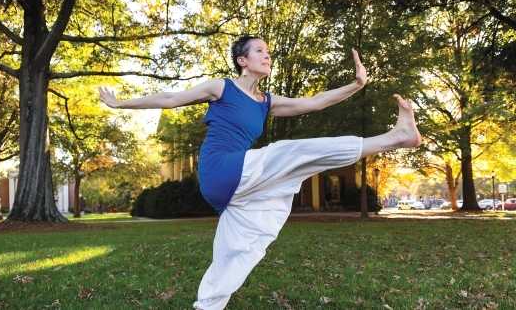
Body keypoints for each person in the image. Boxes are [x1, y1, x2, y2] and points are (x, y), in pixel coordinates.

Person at [98, 35, 421, 310]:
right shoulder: (221, 88)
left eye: (268, 52)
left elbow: (315, 102)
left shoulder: (266, 101)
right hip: (221, 168)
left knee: (239, 251)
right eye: (259, 51)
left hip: (235, 188)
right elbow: (170, 98)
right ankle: (396, 137)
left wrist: (356, 84)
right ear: (242, 60)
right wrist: (121, 104)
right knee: (289, 153)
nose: (267, 56)